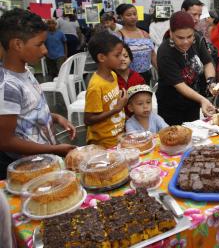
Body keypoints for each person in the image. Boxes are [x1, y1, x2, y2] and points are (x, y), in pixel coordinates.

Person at [0, 9, 76, 179]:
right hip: (29, 170)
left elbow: (29, 111)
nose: (45, 51)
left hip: (44, 161)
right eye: (39, 44)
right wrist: (54, 149)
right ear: (17, 44)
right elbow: (5, 140)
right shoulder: (8, 87)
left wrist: (56, 117)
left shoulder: (25, 71)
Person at [156, 11, 219, 125]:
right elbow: (180, 85)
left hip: (192, 100)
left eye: (189, 36)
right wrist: (202, 100)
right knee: (175, 136)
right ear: (171, 33)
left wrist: (211, 82)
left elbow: (207, 62)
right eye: (180, 38)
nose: (186, 42)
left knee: (193, 133)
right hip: (171, 105)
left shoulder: (197, 39)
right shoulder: (165, 52)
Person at [84, 32, 127, 149]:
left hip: (118, 136)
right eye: (117, 55)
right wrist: (117, 109)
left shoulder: (113, 75)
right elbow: (88, 120)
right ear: (102, 57)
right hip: (103, 143)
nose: (122, 59)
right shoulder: (96, 86)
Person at [115, 4, 157, 85]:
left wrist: (162, 72)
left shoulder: (144, 34)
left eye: (135, 14)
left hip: (146, 75)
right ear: (121, 17)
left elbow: (152, 55)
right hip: (127, 77)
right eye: (129, 15)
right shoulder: (118, 36)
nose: (133, 17)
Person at [115, 43, 145, 117]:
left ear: (130, 59)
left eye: (126, 56)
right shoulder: (111, 79)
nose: (122, 59)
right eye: (118, 56)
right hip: (117, 118)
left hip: (137, 118)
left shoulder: (138, 78)